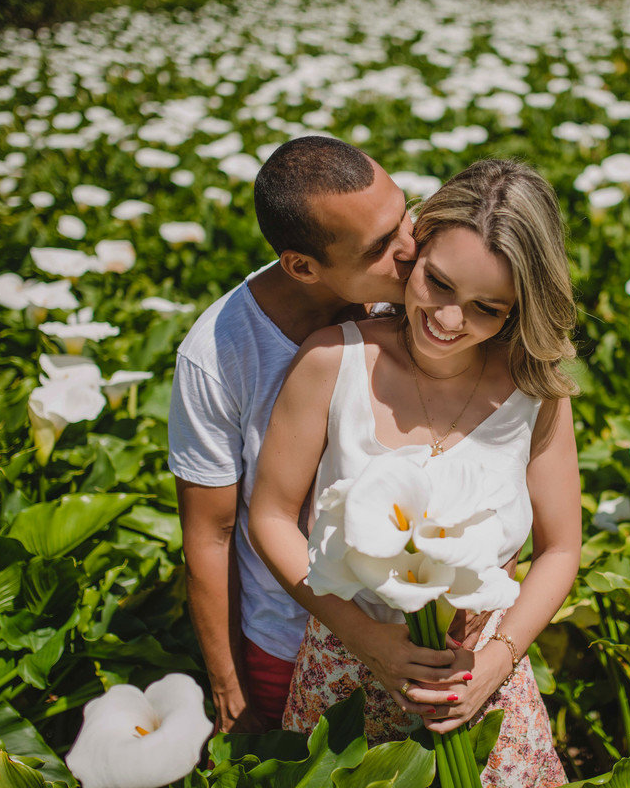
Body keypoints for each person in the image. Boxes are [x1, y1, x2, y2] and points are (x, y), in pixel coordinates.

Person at [249, 159, 581, 786]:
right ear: (416, 248)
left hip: (481, 681)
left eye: (487, 307)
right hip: (347, 671)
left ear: (520, 307)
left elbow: (561, 548)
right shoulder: (332, 361)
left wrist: (495, 662)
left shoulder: (536, 393)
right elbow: (270, 516)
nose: (450, 320)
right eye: (438, 283)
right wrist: (365, 640)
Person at [167, 136, 461, 733]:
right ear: (302, 266)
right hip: (289, 637)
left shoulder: (420, 293)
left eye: (403, 214)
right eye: (379, 247)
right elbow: (209, 535)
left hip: (424, 627)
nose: (410, 250)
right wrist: (228, 689)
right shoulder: (218, 357)